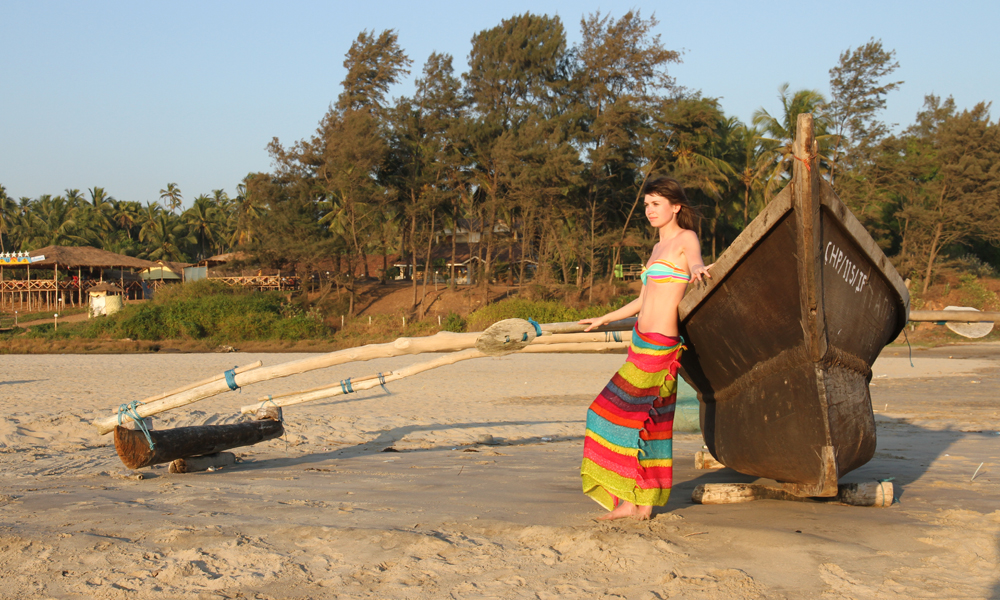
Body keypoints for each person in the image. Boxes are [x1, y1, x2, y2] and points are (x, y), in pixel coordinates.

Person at [578, 176, 711, 521]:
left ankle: (642, 501)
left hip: (661, 347)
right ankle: (632, 503)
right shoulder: (655, 250)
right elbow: (642, 300)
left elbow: (696, 261)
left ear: (676, 206)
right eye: (647, 205)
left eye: (656, 204)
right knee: (641, 422)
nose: (650, 211)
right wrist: (604, 318)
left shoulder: (686, 238)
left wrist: (698, 269)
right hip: (640, 342)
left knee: (611, 414)